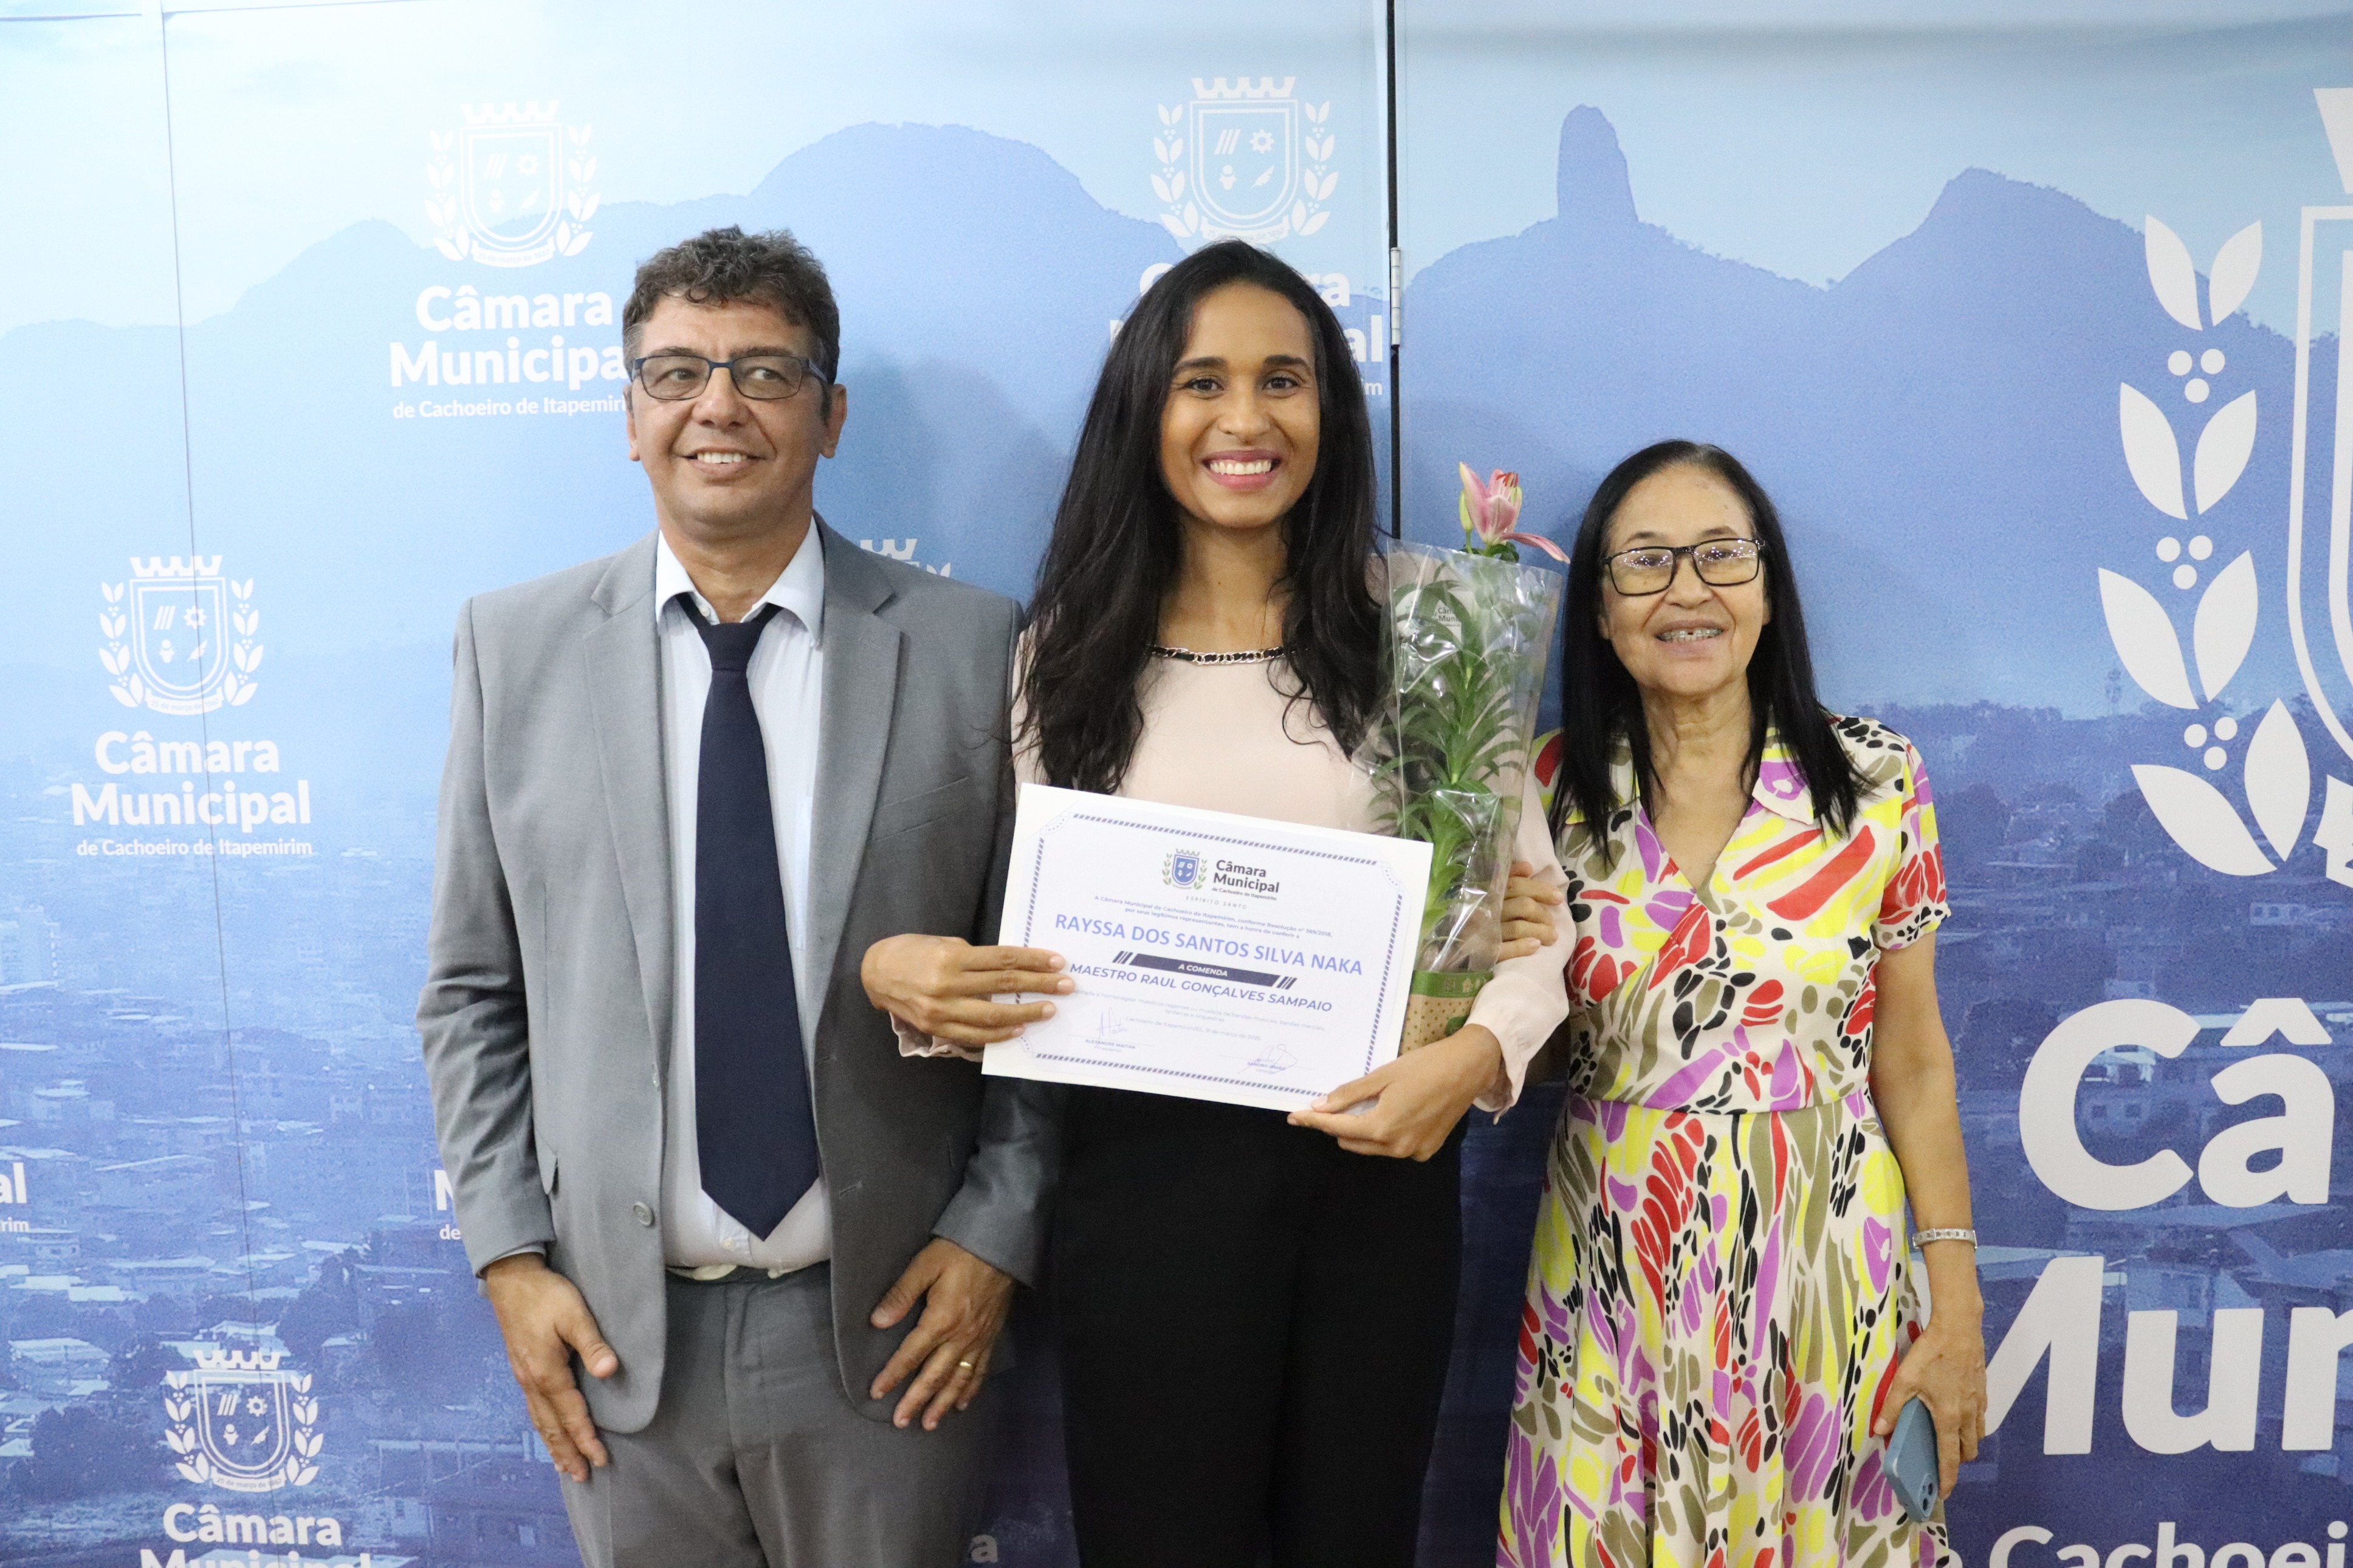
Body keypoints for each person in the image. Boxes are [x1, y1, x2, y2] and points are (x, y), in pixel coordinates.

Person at [895, 238, 1567, 1568]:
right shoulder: (1062, 657)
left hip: (1378, 1176)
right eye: (1202, 382)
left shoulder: (1432, 624)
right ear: (1144, 409)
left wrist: (1473, 1061)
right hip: (1143, 1195)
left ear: (1332, 411)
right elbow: (1024, 938)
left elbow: (1534, 924)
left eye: (1284, 381)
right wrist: (927, 989)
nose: (1245, 420)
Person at [416, 225, 1067, 1568]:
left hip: (888, 1331)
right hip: (616, 1342)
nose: (718, 405)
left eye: (765, 372)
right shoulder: (513, 649)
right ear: (631, 416)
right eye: (676, 373)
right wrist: (510, 1260)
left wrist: (995, 1232)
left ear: (831, 414)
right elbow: (473, 993)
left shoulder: (971, 647)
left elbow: (1047, 978)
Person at [1495, 440, 1985, 1568]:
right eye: (1646, 562)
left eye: (1721, 554)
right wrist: (1502, 961)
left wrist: (1955, 1304)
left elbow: (1913, 1060)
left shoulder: (1877, 782)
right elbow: (1542, 1055)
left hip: (1829, 1275)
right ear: (1601, 611)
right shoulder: (1546, 789)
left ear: (1768, 588)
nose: (1688, 589)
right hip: (1613, 1269)